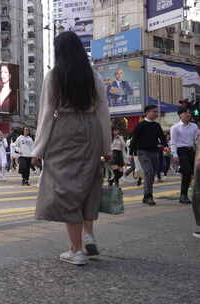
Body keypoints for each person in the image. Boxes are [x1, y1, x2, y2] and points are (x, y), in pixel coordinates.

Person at [31, 32, 111, 266]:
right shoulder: (94, 76)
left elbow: (47, 113)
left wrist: (38, 149)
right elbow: (103, 112)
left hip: (64, 129)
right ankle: (86, 235)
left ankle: (76, 250)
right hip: (91, 128)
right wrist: (106, 146)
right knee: (86, 183)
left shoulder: (54, 76)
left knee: (65, 187)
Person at [130, 105, 166, 206]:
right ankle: (149, 196)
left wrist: (165, 145)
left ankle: (146, 195)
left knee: (151, 175)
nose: (156, 114)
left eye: (156, 112)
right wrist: (131, 153)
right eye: (154, 112)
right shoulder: (140, 125)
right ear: (147, 113)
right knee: (149, 172)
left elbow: (162, 138)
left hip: (155, 152)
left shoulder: (157, 125)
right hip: (143, 152)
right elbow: (134, 139)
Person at [170, 107, 198, 204]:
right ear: (180, 115)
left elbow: (197, 139)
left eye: (189, 113)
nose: (189, 115)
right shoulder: (175, 127)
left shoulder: (194, 126)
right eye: (187, 113)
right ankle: (183, 195)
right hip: (181, 151)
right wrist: (174, 154)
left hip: (192, 151)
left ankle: (194, 193)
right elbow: (173, 142)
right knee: (186, 171)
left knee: (194, 172)